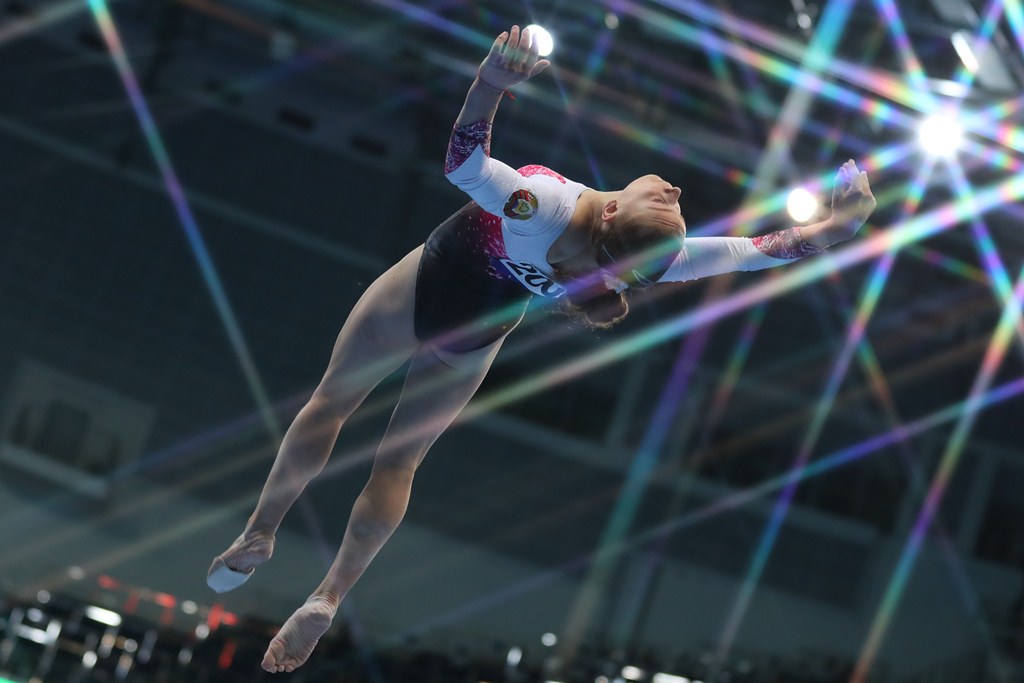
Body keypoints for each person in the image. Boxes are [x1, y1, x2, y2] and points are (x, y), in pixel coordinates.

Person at [206, 25, 877, 673]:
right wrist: (839, 228)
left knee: (331, 404)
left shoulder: (547, 204)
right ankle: (329, 595)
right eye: (675, 205)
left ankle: (262, 527)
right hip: (475, 336)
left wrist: (489, 85)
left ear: (611, 211)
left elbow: (464, 165)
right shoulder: (646, 268)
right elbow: (762, 251)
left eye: (665, 203)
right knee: (399, 463)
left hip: (426, 286)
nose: (675, 191)